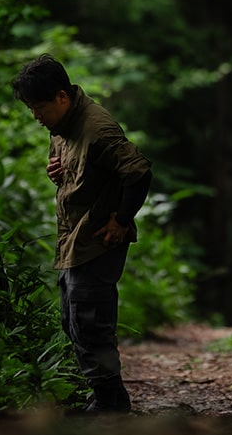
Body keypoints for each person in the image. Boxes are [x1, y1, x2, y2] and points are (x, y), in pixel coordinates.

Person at [12, 54, 152, 414]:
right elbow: (70, 165)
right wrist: (55, 168)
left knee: (91, 320)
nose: (35, 116)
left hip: (97, 239)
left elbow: (138, 172)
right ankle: (106, 397)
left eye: (39, 107)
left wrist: (121, 220)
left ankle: (110, 404)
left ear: (61, 97)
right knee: (72, 319)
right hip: (72, 236)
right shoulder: (63, 125)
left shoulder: (97, 128)